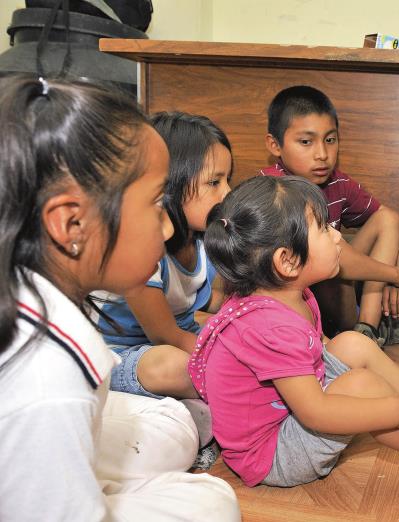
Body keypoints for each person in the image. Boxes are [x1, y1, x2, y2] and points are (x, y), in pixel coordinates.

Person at [0, 75, 239, 521]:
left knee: (211, 497)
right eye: (154, 203)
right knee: (213, 506)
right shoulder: (50, 383)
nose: (167, 228)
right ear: (72, 226)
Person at [189, 175, 399, 501]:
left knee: (354, 342)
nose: (338, 235)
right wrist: (396, 411)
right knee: (361, 385)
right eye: (325, 228)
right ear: (287, 261)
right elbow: (315, 413)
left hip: (287, 415)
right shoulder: (271, 328)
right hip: (273, 454)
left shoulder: (287, 295)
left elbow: (316, 351)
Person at [261, 85, 399, 347]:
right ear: (275, 145)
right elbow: (332, 257)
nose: (322, 154)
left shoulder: (337, 183)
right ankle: (341, 336)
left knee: (387, 219)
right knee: (327, 259)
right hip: (286, 303)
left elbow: (392, 223)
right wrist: (396, 275)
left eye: (330, 140)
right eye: (306, 142)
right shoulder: (272, 188)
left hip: (331, 293)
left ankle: (367, 329)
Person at [93, 111, 232, 400]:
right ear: (171, 186)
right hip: (119, 353)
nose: (227, 193)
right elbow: (165, 336)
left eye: (228, 180)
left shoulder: (204, 241)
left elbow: (204, 302)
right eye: (214, 182)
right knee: (172, 366)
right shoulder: (143, 251)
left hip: (180, 336)